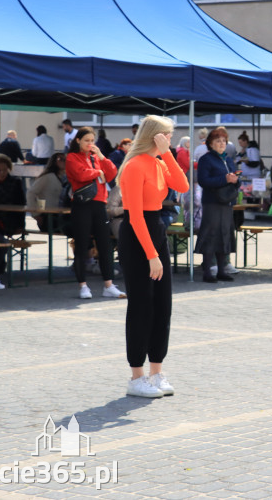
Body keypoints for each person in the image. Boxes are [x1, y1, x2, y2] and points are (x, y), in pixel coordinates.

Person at [117, 115, 189, 398]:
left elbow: (182, 186)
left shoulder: (159, 162)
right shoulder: (134, 166)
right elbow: (135, 217)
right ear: (154, 136)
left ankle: (156, 372)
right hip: (137, 236)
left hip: (156, 229)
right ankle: (136, 376)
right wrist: (151, 255)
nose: (169, 140)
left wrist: (168, 154)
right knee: (141, 305)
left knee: (163, 304)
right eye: (167, 136)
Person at [66, 126, 125, 299]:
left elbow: (112, 172)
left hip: (99, 204)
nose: (90, 144)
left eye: (92, 141)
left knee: (105, 245)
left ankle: (108, 285)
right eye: (86, 140)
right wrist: (98, 173)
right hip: (82, 204)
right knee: (82, 245)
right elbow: (80, 174)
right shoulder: (72, 157)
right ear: (78, 140)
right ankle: (83, 286)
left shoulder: (95, 157)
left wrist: (101, 156)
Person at [196, 127, 239, 283]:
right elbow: (203, 181)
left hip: (226, 203)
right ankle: (207, 271)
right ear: (210, 144)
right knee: (211, 236)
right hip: (212, 203)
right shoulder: (206, 159)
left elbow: (234, 178)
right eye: (218, 141)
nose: (221, 144)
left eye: (224, 141)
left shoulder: (228, 159)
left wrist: (236, 180)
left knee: (224, 235)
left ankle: (222, 270)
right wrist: (225, 180)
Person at [0, 154, 27, 290]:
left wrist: (21, 225)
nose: (2, 173)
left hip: (9, 219)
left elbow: (21, 204)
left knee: (0, 237)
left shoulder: (15, 182)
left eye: (4, 170)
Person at [27, 153, 66, 233]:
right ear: (54, 162)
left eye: (65, 160)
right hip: (48, 217)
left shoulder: (66, 177)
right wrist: (36, 214)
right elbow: (31, 193)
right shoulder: (47, 177)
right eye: (60, 159)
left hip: (62, 215)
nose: (64, 162)